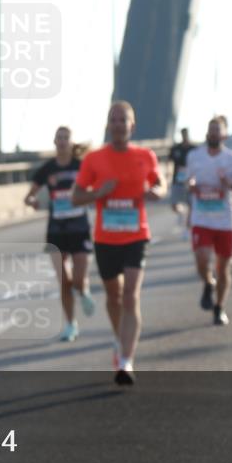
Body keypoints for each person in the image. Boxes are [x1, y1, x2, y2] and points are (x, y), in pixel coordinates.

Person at [72, 101, 166, 386]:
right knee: (114, 297)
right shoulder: (94, 159)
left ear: (132, 126)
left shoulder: (145, 156)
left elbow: (160, 184)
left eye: (122, 120)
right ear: (107, 125)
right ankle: (120, 338)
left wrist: (155, 192)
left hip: (136, 234)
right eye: (113, 120)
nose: (117, 125)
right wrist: (99, 192)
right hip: (105, 237)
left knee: (130, 296)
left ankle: (126, 359)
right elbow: (76, 197)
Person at [24, 126, 95, 342]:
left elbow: (95, 189)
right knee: (64, 280)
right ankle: (70, 324)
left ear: (72, 142)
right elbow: (29, 196)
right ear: (54, 142)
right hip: (56, 230)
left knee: (79, 279)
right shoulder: (47, 169)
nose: (62, 141)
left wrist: (88, 196)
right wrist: (34, 202)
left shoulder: (82, 166)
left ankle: (83, 292)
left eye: (66, 138)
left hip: (79, 227)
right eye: (59, 137)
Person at [186, 118, 232, 326]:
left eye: (218, 131)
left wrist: (228, 184)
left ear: (224, 135)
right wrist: (191, 185)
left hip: (224, 220)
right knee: (202, 259)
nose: (213, 133)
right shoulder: (194, 156)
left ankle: (219, 307)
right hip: (201, 217)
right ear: (207, 133)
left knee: (223, 268)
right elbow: (187, 181)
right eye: (211, 130)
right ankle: (208, 282)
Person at [168, 127, 195, 240]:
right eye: (183, 134)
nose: (185, 136)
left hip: (190, 181)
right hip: (177, 180)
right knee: (174, 205)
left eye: (186, 134)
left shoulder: (194, 149)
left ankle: (187, 230)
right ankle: (181, 213)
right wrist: (168, 176)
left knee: (191, 206)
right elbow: (169, 163)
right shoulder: (175, 149)